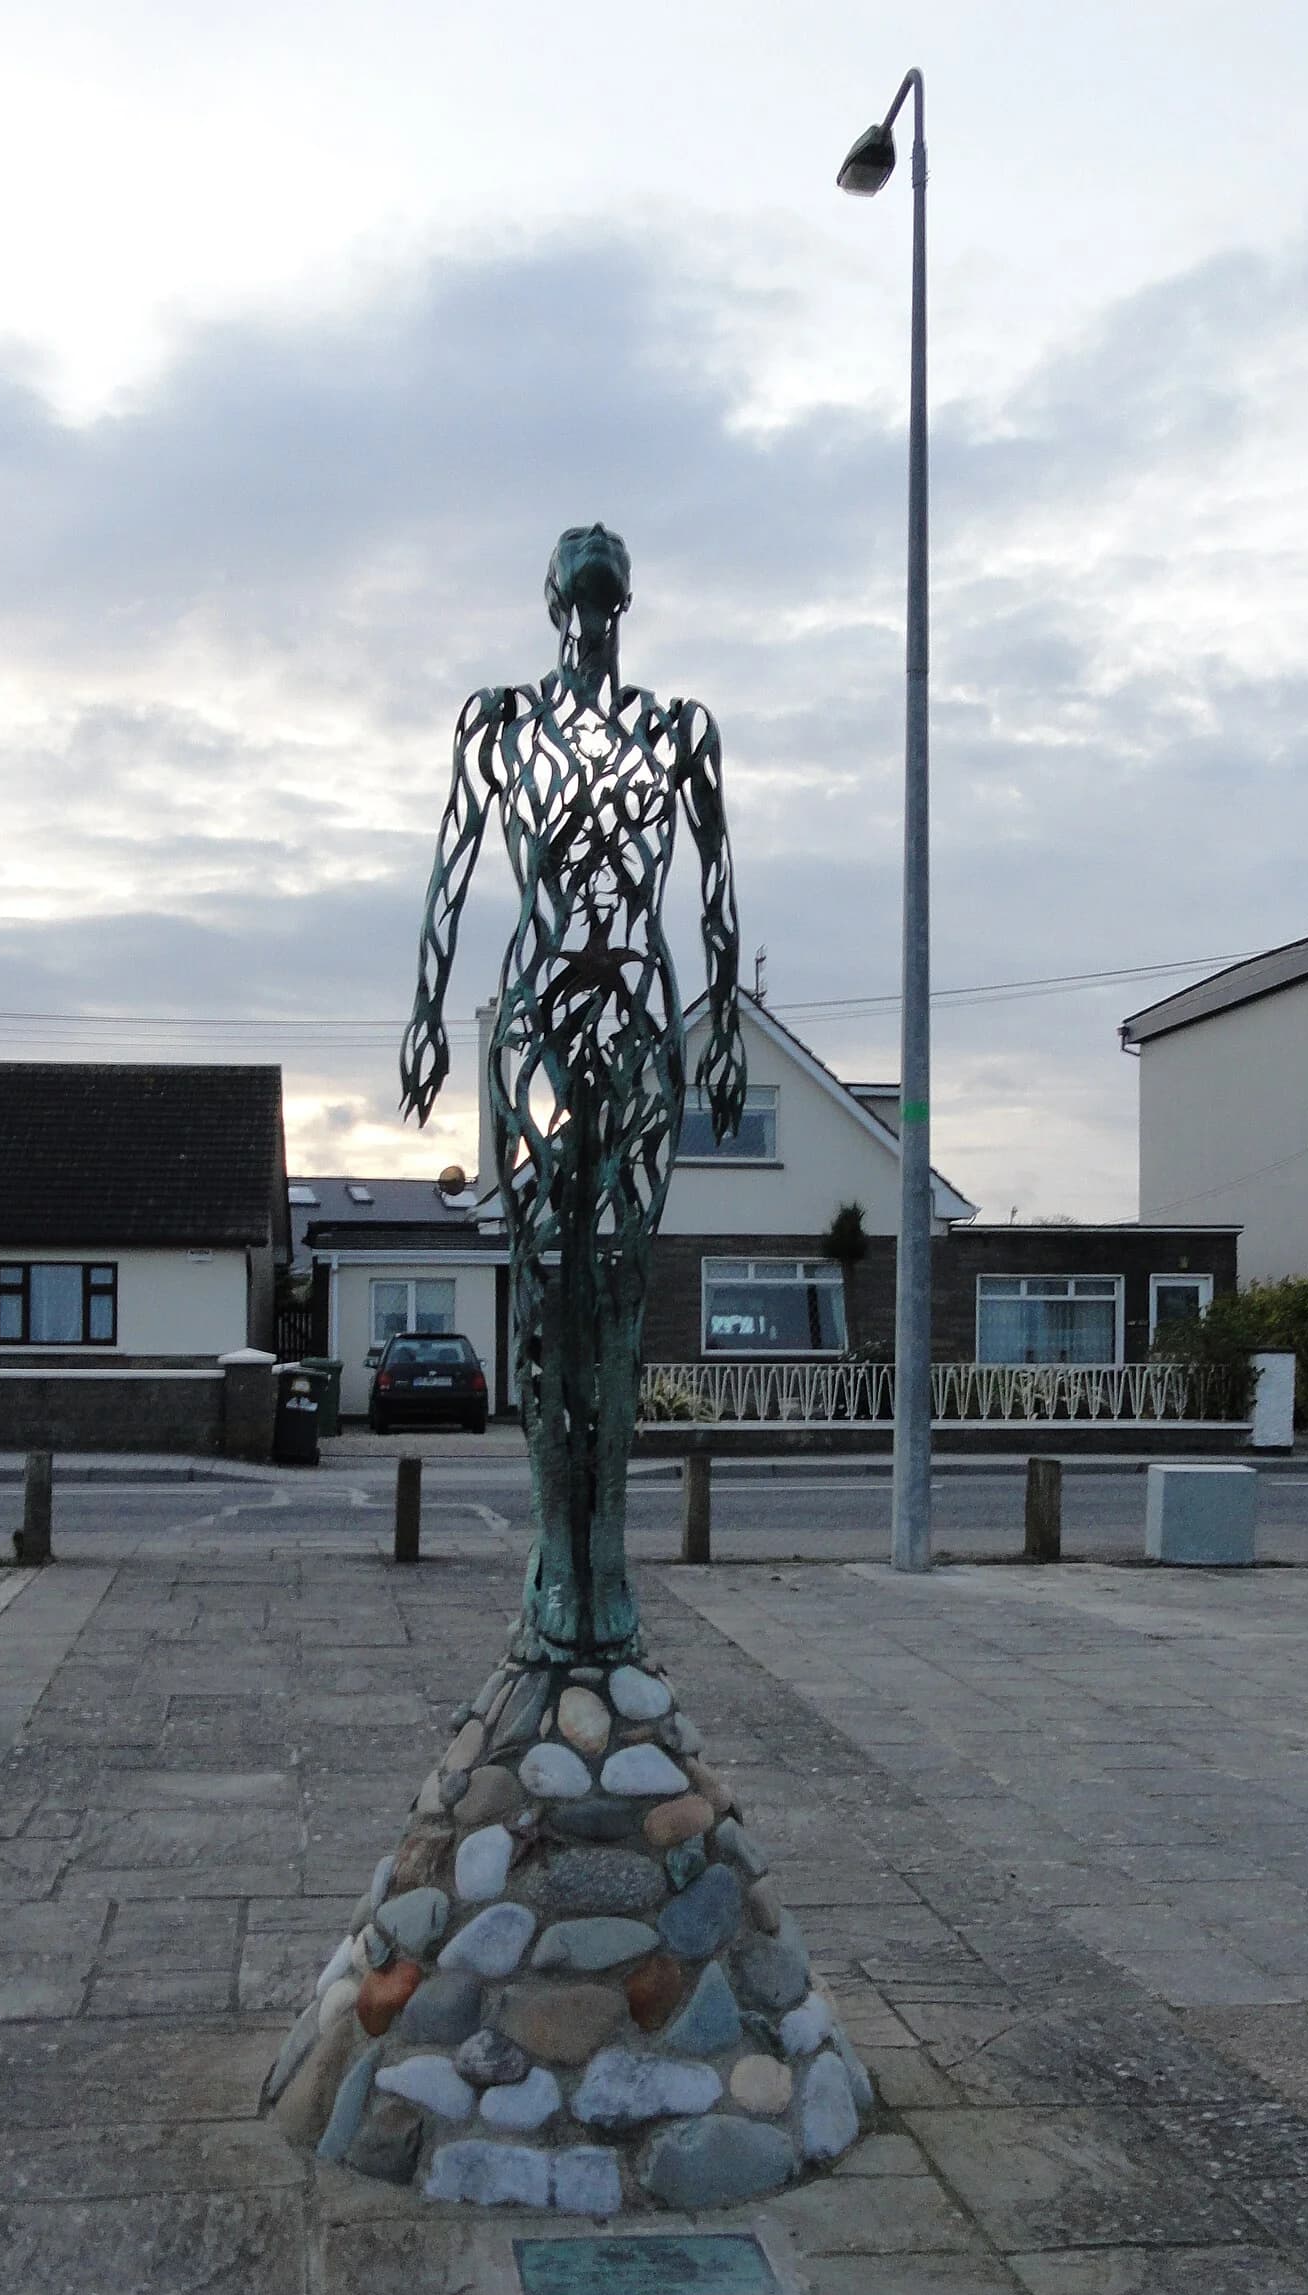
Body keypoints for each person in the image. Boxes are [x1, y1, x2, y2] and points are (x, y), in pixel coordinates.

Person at [401, 522, 747, 1660]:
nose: (591, 608)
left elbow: (716, 896)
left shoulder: (679, 730)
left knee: (621, 1289)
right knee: (543, 1291)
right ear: (554, 601)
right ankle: (556, 1546)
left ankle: (608, 1553)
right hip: (537, 1022)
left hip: (639, 1018)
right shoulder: (499, 723)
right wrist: (425, 1012)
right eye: (578, 586)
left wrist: (726, 1029)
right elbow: (452, 872)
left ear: (619, 602)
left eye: (605, 588)